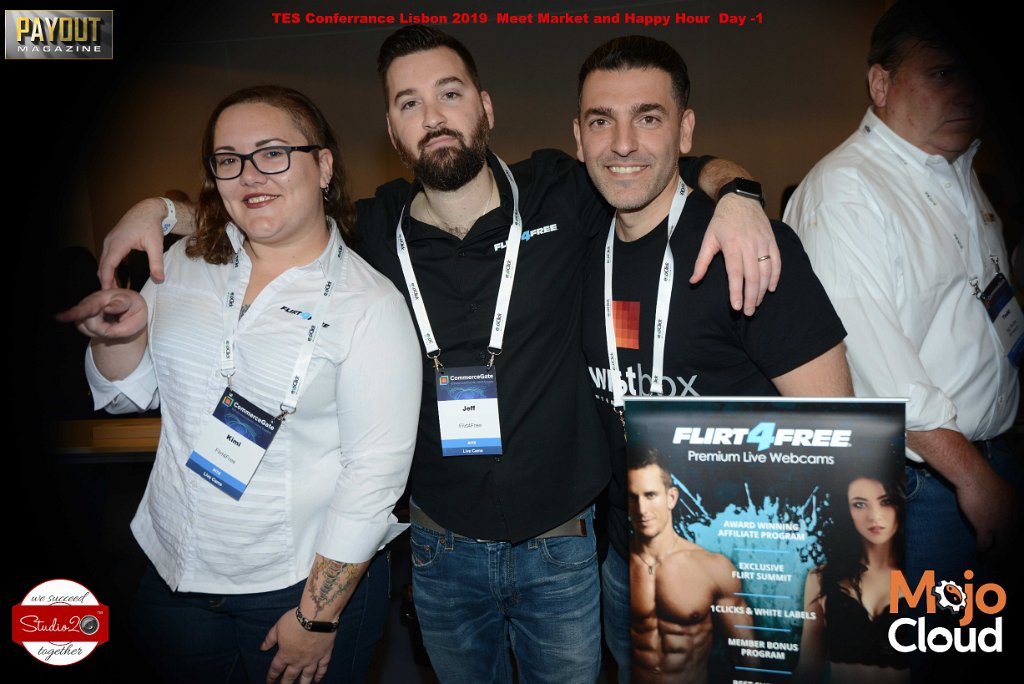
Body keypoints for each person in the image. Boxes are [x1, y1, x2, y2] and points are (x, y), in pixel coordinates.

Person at [94, 27, 781, 682]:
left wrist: (741, 194)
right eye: (409, 103)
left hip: (562, 544)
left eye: (449, 94)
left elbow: (676, 166)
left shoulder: (562, 191)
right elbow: (269, 205)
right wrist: (162, 211)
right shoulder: (372, 229)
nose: (433, 117)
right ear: (392, 131)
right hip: (438, 547)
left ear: (485, 108)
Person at [59, 86, 422, 683]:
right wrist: (116, 340)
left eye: (273, 153)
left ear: (323, 165)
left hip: (295, 587)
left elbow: (373, 479)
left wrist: (315, 617)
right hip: (172, 573)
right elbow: (129, 396)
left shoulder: (368, 304)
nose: (251, 174)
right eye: (229, 159)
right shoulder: (181, 264)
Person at [573, 35, 852, 682]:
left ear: (686, 130)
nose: (623, 144)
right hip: (626, 564)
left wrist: (739, 194)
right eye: (601, 121)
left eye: (648, 117)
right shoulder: (580, 242)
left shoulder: (747, 249)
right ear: (578, 137)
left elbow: (836, 428)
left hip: (749, 569)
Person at [784, 0, 1022, 589]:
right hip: (929, 487)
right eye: (941, 71)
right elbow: (879, 376)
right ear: (881, 84)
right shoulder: (847, 192)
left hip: (986, 461)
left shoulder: (956, 170)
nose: (966, 90)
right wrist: (973, 478)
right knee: (932, 635)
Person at [627, 446, 757, 683]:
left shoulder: (713, 567)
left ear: (671, 497)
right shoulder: (618, 563)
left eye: (650, 495)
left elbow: (746, 656)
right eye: (633, 497)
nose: (642, 509)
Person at [794, 471, 909, 683]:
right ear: (846, 510)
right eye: (859, 504)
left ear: (900, 504)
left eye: (886, 501)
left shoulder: (924, 577)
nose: (874, 516)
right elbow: (807, 671)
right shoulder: (820, 578)